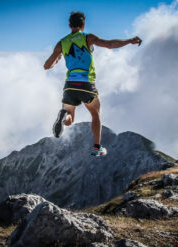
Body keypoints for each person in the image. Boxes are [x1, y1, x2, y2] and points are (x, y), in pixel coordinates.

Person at [44, 11, 142, 156]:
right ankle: (97, 148)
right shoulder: (88, 38)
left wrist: (57, 59)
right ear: (83, 24)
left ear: (69, 25)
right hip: (87, 84)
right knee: (95, 115)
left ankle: (64, 115)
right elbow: (109, 44)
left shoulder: (61, 43)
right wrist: (129, 41)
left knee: (70, 120)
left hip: (70, 85)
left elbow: (47, 65)